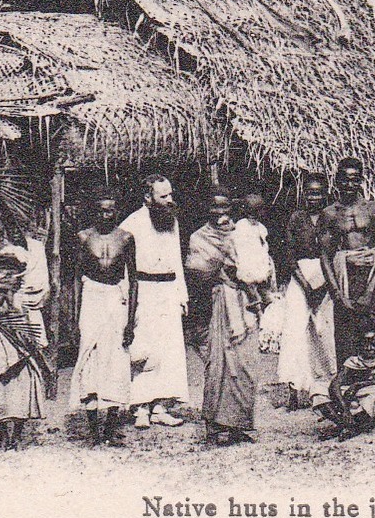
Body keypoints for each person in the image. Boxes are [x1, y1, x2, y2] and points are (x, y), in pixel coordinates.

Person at [187, 189, 274, 446]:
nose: (220, 213)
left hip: (245, 304)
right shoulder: (198, 238)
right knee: (218, 364)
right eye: (215, 207)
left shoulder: (244, 231)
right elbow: (198, 271)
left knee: (245, 364)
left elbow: (260, 264)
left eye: (225, 208)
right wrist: (223, 269)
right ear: (207, 209)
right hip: (217, 305)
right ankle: (214, 425)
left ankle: (239, 424)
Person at [70, 195, 138, 447]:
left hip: (115, 300)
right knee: (89, 359)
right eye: (101, 211)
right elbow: (77, 279)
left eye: (111, 211)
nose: (106, 216)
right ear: (94, 212)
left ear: (117, 211)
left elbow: (133, 281)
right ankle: (93, 430)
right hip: (92, 299)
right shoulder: (84, 237)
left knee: (115, 360)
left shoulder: (126, 238)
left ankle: (110, 428)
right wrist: (74, 319)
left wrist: (130, 321)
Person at [123, 176, 189, 429]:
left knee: (169, 349)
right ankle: (140, 407)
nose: (169, 200)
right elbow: (125, 268)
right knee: (144, 349)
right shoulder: (132, 224)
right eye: (163, 196)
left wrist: (182, 295)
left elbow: (176, 260)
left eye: (170, 194)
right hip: (144, 291)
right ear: (148, 198)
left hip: (169, 291)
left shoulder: (172, 222)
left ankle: (160, 407)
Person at [0, 220, 49, 450]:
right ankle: (2, 433)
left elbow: (36, 286)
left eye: (1, 234)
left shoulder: (21, 254)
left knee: (23, 378)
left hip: (19, 316)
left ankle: (17, 434)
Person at [321, 157, 375, 366]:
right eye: (345, 180)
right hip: (345, 278)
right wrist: (336, 293)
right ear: (337, 181)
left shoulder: (371, 209)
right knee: (345, 334)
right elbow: (325, 255)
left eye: (354, 180)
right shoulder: (330, 213)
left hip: (370, 276)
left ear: (360, 180)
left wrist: (370, 290)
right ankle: (348, 386)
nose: (349, 185)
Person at [277, 173, 336, 408]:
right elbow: (290, 255)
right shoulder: (296, 218)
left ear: (326, 194)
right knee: (295, 332)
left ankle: (325, 386)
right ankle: (294, 389)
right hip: (300, 276)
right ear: (304, 194)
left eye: (319, 193)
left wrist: (323, 286)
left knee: (325, 331)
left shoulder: (331, 217)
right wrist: (306, 285)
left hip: (326, 275)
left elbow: (334, 253)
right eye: (310, 193)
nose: (314, 197)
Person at [319, 328, 375, 440]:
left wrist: (359, 385)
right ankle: (345, 423)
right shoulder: (353, 361)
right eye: (365, 344)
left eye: (373, 344)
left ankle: (351, 426)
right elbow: (335, 384)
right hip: (352, 400)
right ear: (359, 345)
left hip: (374, 402)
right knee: (318, 387)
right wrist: (345, 409)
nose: (369, 348)